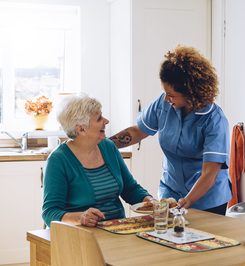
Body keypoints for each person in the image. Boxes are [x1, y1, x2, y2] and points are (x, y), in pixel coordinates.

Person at [110, 45, 232, 215]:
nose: (167, 98)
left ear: (191, 93)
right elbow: (138, 131)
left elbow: (209, 173)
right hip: (171, 191)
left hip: (207, 199)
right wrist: (105, 145)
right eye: (165, 93)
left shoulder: (214, 120)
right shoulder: (163, 103)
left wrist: (186, 201)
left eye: (172, 95)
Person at [42, 95, 152, 227]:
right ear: (81, 129)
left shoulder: (108, 147)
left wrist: (150, 201)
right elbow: (50, 213)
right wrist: (81, 217)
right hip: (80, 235)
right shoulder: (58, 160)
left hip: (117, 229)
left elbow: (130, 189)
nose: (106, 121)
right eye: (99, 118)